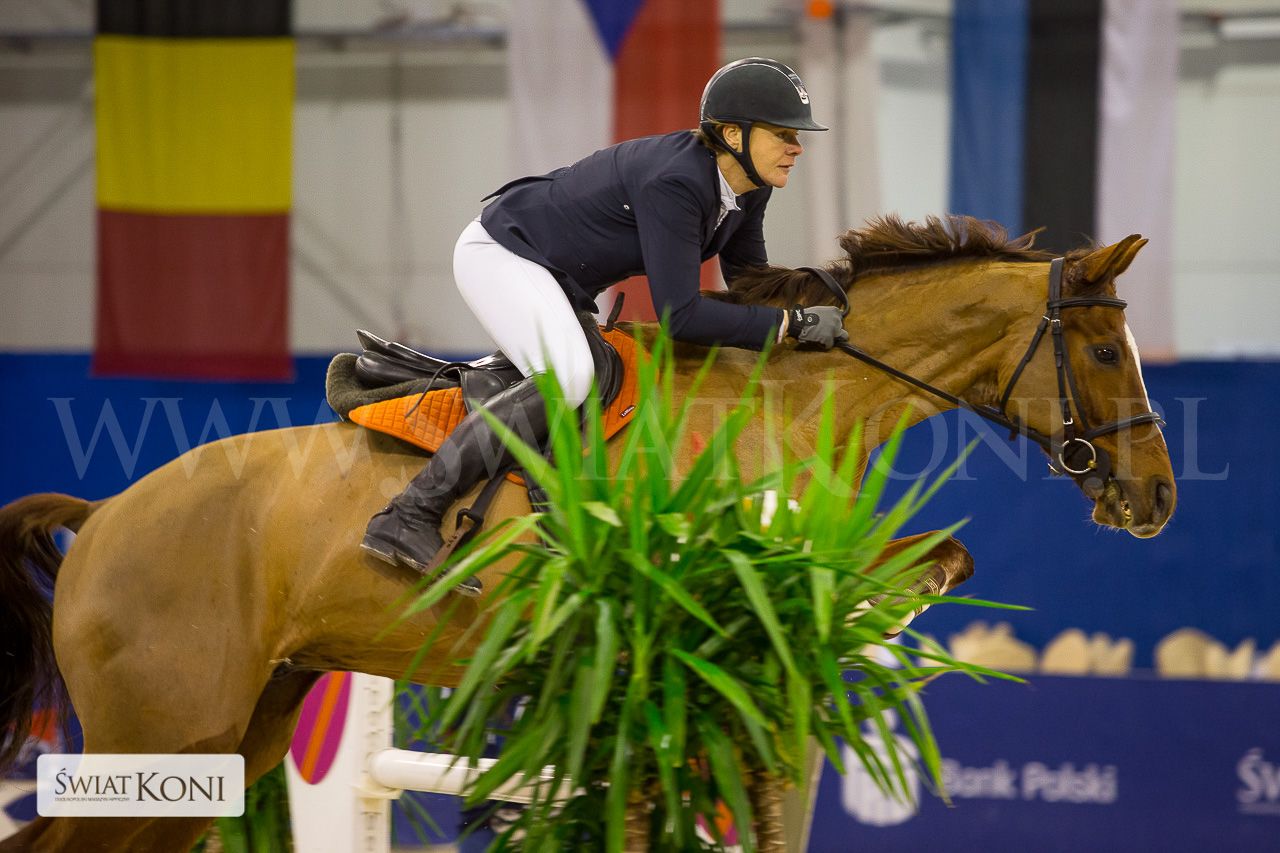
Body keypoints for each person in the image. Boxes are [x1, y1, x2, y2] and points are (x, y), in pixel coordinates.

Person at [361, 57, 849, 576]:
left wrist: (817, 307)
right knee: (569, 378)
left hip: (554, 278)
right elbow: (681, 316)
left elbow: (749, 279)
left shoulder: (749, 186)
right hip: (501, 255)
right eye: (783, 134)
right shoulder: (677, 181)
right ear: (733, 134)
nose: (798, 147)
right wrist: (791, 325)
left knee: (598, 374)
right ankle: (409, 513)